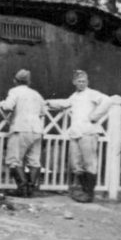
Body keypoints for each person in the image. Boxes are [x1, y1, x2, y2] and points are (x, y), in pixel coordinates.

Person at [46, 70, 111, 203]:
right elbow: (66, 103)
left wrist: (94, 116)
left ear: (88, 82)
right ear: (74, 82)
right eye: (79, 81)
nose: (81, 83)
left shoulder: (92, 93)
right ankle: (82, 190)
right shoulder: (75, 95)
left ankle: (89, 193)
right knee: (75, 163)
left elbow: (107, 101)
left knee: (89, 163)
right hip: (76, 132)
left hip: (88, 132)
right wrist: (49, 103)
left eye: (84, 81)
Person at [0, 69, 46, 197]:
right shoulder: (36, 94)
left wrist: (2, 103)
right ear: (28, 82)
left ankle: (22, 189)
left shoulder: (14, 91)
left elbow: (8, 107)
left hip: (21, 128)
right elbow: (43, 111)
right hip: (37, 130)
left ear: (15, 81)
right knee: (34, 161)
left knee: (14, 160)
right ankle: (30, 190)